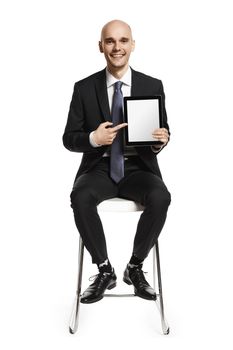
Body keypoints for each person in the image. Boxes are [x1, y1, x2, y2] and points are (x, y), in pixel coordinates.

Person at [63, 19, 171, 304]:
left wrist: (162, 139)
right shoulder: (84, 88)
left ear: (133, 45)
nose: (117, 47)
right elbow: (69, 138)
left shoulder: (152, 84)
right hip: (99, 168)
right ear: (101, 46)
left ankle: (135, 267)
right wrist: (93, 139)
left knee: (161, 196)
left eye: (123, 40)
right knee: (80, 196)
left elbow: (163, 131)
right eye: (110, 41)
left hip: (138, 169)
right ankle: (104, 269)